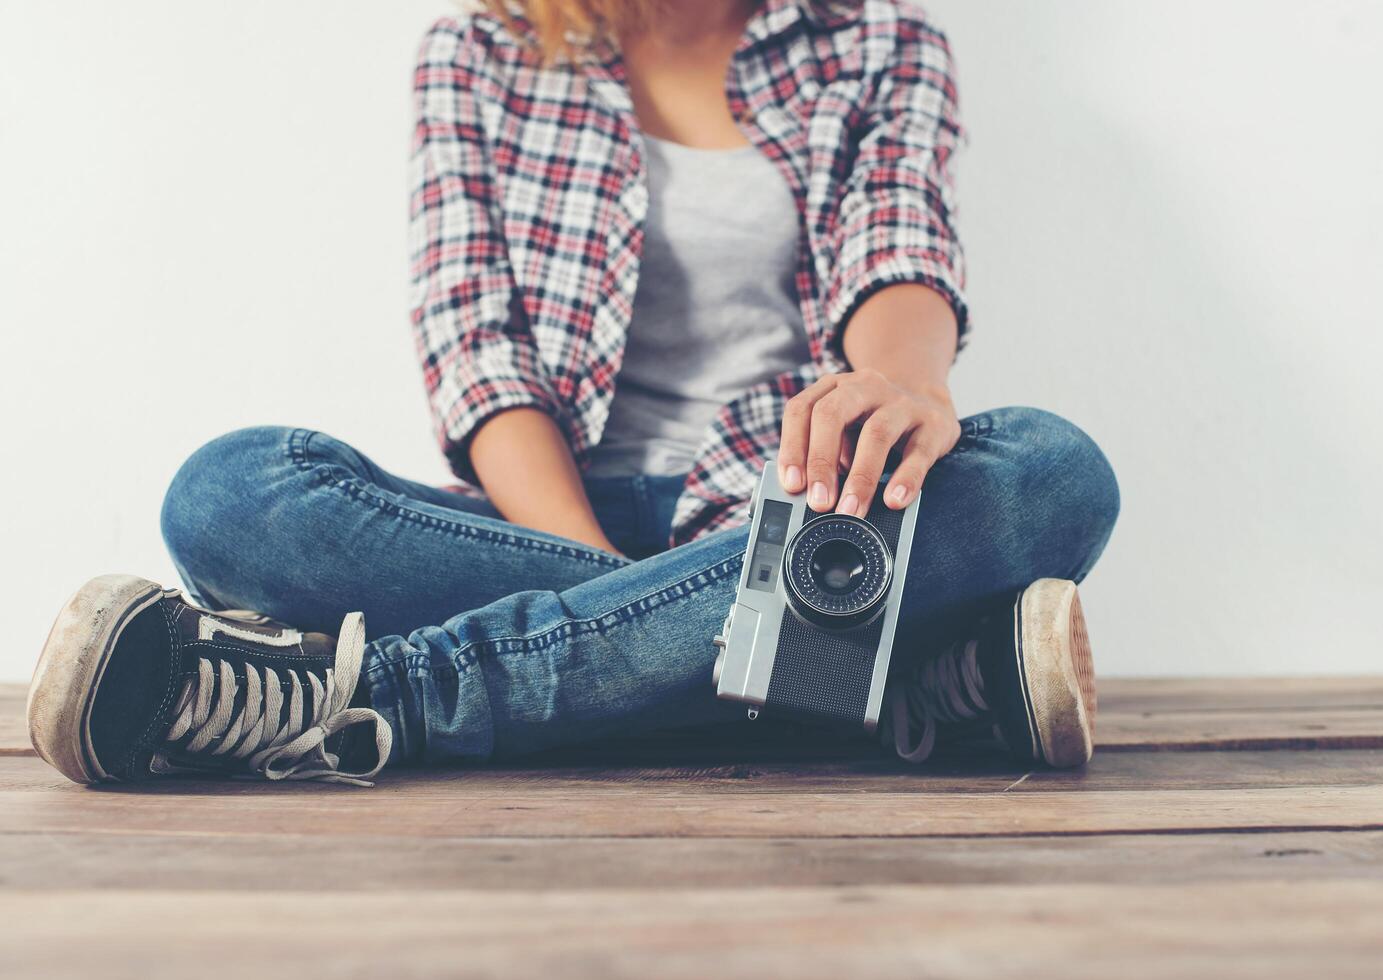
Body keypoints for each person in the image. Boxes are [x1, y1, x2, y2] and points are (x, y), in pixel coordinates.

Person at [26, 0, 1118, 788]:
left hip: (782, 511)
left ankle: (379, 698)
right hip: (539, 521)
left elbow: (898, 241)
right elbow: (475, 347)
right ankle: (864, 682)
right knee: (232, 491)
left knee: (1048, 470)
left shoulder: (881, 37)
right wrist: (638, 607)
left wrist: (896, 382)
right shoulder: (480, 47)